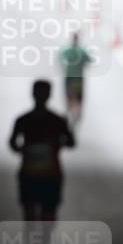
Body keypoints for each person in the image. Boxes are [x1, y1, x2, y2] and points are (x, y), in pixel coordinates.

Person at [9, 80, 75, 222]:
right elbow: (71, 142)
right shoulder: (57, 121)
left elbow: (13, 144)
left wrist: (24, 149)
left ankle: (37, 235)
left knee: (35, 217)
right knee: (40, 217)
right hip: (44, 175)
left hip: (38, 174)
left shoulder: (24, 120)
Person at [58, 31, 92, 127]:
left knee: (69, 97)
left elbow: (60, 56)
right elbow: (89, 60)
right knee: (78, 99)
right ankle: (76, 115)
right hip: (78, 79)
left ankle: (69, 111)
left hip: (69, 77)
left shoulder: (67, 50)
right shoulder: (82, 51)